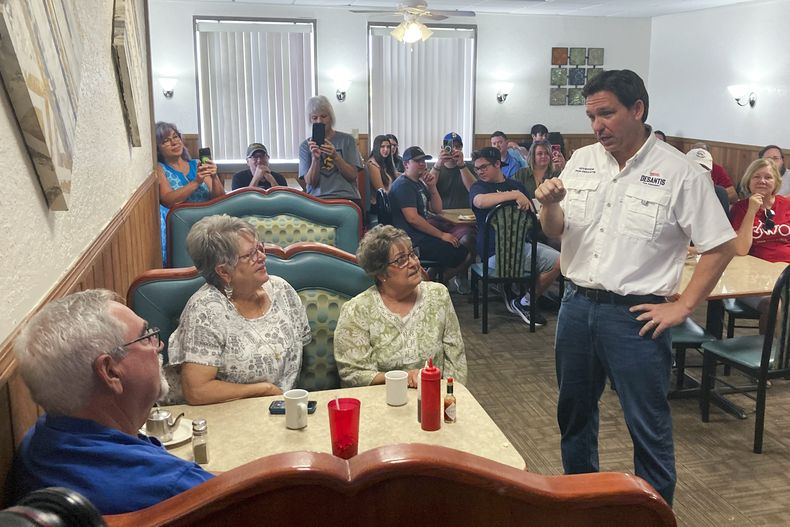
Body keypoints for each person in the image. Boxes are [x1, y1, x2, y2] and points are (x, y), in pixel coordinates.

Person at [535, 69, 736, 505]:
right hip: (575, 306)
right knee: (574, 417)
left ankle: (653, 513)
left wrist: (682, 306)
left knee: (648, 427)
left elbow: (721, 245)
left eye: (606, 114)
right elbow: (558, 228)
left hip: (636, 317)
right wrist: (548, 206)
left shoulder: (679, 172)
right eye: (591, 116)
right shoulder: (582, 161)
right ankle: (582, 504)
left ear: (638, 110)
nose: (597, 126)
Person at [9, 290, 213, 515]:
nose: (158, 345)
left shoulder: (35, 445)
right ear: (110, 372)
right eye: (146, 336)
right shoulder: (172, 487)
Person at [163, 215, 311, 405]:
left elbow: (303, 350)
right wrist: (263, 390)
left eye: (260, 248)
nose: (262, 257)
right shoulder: (205, 310)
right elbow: (197, 390)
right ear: (223, 271)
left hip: (286, 410)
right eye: (250, 255)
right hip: (229, 416)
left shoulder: (282, 290)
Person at [333, 225, 467, 388]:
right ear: (381, 273)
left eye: (412, 254)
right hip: (383, 400)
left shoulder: (438, 295)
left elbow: (456, 361)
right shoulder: (357, 310)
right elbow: (354, 374)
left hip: (433, 396)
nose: (413, 263)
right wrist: (403, 378)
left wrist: (449, 397)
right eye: (401, 260)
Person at [469, 147, 561, 327]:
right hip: (494, 252)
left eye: (484, 167)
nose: (480, 172)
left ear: (497, 164)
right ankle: (519, 293)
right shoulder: (479, 186)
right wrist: (514, 195)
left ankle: (526, 300)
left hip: (522, 246)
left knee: (560, 260)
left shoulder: (517, 185)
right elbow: (479, 201)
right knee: (521, 261)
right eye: (477, 168)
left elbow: (533, 214)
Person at [389, 146, 471, 282]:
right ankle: (431, 283)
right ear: (406, 164)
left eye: (424, 160)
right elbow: (413, 219)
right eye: (417, 161)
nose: (422, 164)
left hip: (419, 236)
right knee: (464, 253)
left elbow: (437, 209)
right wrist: (441, 235)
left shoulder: (418, 183)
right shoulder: (404, 185)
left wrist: (432, 187)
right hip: (411, 241)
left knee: (460, 248)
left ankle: (430, 281)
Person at [730, 159, 790, 329]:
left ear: (776, 182)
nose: (762, 181)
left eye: (768, 177)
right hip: (753, 280)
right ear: (748, 181)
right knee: (776, 306)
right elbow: (741, 250)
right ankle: (769, 355)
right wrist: (751, 210)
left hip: (786, 275)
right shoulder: (740, 208)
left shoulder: (787, 205)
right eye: (757, 176)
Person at [156, 121, 225, 265]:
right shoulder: (160, 169)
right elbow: (168, 200)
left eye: (176, 137)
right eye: (166, 141)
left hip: (210, 223)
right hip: (183, 228)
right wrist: (196, 182)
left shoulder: (196, 164)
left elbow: (220, 199)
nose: (174, 143)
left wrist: (214, 176)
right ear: (158, 149)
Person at [298, 95, 363, 206]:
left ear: (331, 117)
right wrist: (315, 159)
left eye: (324, 116)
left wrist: (336, 157)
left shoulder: (348, 140)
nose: (319, 121)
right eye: (314, 118)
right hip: (317, 199)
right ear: (310, 120)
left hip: (346, 198)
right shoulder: (305, 146)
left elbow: (353, 175)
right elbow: (310, 182)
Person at [686, 148, 730, 214]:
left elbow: (723, 223)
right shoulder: (673, 189)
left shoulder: (719, 194)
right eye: (694, 167)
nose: (699, 172)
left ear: (710, 172)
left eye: (704, 169)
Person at [367, 134, 398, 211]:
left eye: (388, 147)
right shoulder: (372, 164)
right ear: (377, 148)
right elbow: (381, 192)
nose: (386, 149)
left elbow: (395, 176)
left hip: (389, 202)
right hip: (379, 206)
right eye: (382, 147)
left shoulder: (385, 162)